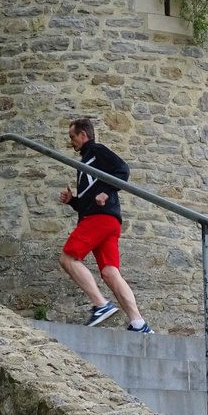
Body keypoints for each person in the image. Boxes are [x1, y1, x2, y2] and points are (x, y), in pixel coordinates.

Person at [58, 117, 153, 332]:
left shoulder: (96, 151)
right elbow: (87, 205)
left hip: (99, 219)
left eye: (72, 137)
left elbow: (122, 170)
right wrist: (73, 200)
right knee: (110, 273)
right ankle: (139, 323)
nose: (70, 142)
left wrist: (106, 192)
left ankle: (101, 305)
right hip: (107, 221)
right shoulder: (84, 163)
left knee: (68, 259)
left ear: (84, 135)